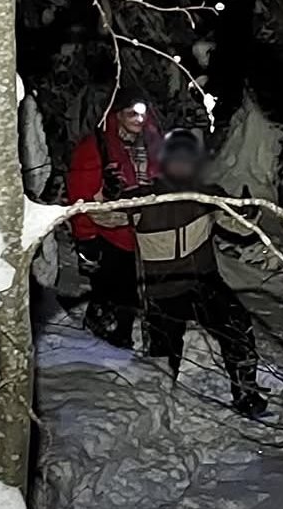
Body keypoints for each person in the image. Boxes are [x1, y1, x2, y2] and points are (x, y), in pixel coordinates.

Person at [130, 130, 268, 417]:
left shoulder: (208, 195)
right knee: (163, 353)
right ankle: (157, 407)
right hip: (161, 287)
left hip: (203, 282)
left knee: (236, 324)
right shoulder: (144, 199)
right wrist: (109, 194)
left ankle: (246, 391)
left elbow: (241, 227)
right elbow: (104, 214)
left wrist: (248, 212)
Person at [66, 95, 162, 348]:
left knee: (136, 286)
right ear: (117, 114)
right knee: (114, 286)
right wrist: (85, 238)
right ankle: (111, 330)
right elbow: (80, 196)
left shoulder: (151, 145)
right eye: (132, 113)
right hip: (108, 231)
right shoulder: (96, 147)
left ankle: (126, 328)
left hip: (143, 231)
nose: (139, 120)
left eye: (142, 114)